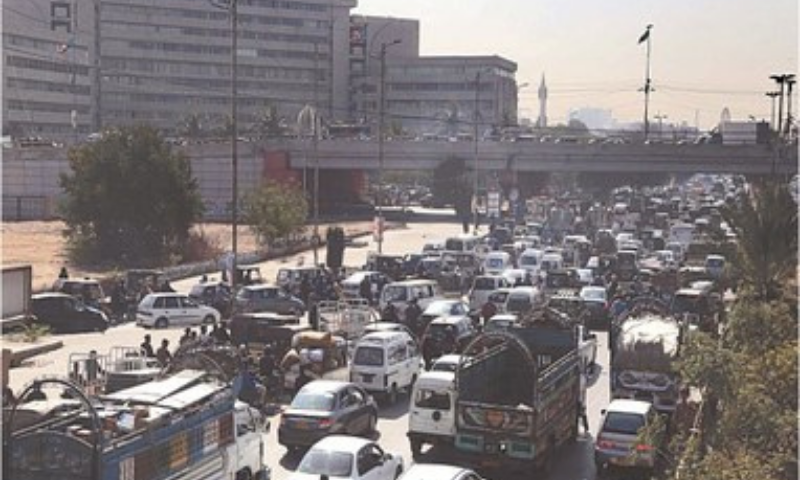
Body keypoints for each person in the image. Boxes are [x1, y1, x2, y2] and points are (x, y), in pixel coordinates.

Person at [578, 371, 590, 435]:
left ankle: (586, 427)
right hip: (580, 400)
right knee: (582, 415)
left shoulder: (581, 378)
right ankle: (586, 427)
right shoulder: (582, 377)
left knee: (582, 415)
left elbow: (582, 392)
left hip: (579, 400)